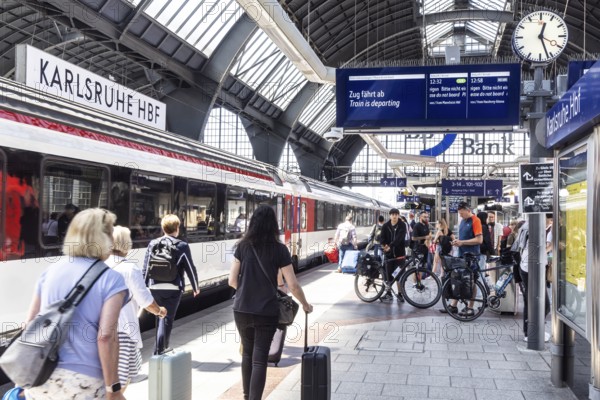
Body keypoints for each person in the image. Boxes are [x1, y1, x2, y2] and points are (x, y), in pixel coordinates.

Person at [24, 208, 128, 400]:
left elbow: (30, 324)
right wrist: (113, 388)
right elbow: (106, 337)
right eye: (110, 232)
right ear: (101, 238)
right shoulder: (112, 279)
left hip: (40, 376)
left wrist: (22, 374)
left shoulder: (49, 271)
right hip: (83, 382)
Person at [228, 205, 312, 400]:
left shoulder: (242, 246)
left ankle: (247, 396)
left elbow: (232, 281)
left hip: (241, 309)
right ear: (273, 225)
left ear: (253, 223)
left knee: (247, 354)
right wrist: (305, 305)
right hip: (266, 311)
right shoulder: (280, 250)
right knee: (259, 359)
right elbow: (293, 285)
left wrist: (247, 291)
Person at [106, 226, 167, 390]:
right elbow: (145, 300)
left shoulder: (99, 266)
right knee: (119, 384)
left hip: (100, 330)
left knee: (110, 383)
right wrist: (159, 311)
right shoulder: (130, 269)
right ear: (126, 244)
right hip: (123, 332)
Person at [143, 214, 200, 355]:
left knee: (159, 316)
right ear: (177, 228)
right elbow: (190, 268)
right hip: (173, 288)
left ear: (163, 228)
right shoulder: (182, 245)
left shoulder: (153, 243)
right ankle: (160, 350)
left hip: (154, 287)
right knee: (167, 318)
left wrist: (144, 287)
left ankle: (161, 347)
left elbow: (145, 268)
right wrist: (195, 287)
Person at [442, 202, 483, 316]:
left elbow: (479, 240)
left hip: (472, 256)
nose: (460, 215)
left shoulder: (476, 220)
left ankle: (470, 307)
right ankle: (453, 306)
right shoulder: (463, 222)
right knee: (459, 280)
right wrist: (457, 242)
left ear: (467, 210)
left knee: (472, 281)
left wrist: (462, 242)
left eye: (461, 213)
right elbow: (463, 238)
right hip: (462, 256)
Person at [514, 218, 551, 342]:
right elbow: (535, 251)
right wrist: (551, 246)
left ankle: (531, 331)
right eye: (551, 221)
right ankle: (531, 332)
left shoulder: (529, 226)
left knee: (534, 302)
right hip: (530, 269)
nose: (551, 223)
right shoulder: (535, 229)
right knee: (539, 304)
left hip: (527, 268)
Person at [379, 208, 407, 302]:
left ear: (398, 215)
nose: (394, 216)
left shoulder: (402, 225)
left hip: (400, 255)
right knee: (388, 275)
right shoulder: (385, 226)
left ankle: (400, 294)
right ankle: (388, 293)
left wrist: (390, 246)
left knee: (399, 274)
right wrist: (385, 246)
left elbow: (399, 238)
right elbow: (382, 238)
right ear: (390, 215)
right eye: (392, 214)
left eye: (396, 214)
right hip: (389, 255)